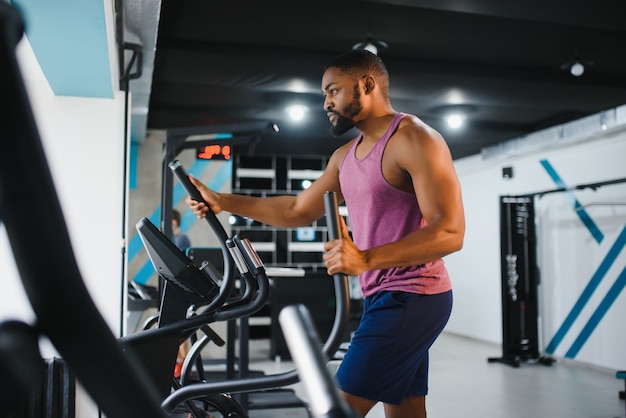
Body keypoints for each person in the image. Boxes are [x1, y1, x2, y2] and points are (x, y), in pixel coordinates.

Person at [185, 49, 465, 418]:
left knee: (337, 409)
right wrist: (222, 200)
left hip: (412, 297)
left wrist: (364, 259)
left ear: (366, 84)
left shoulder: (415, 139)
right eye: (324, 94)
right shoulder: (344, 157)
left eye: (332, 91)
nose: (326, 103)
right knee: (406, 410)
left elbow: (449, 231)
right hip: (384, 297)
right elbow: (297, 209)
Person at [171, 208, 192, 378]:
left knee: (180, 325)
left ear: (173, 222)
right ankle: (180, 362)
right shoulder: (175, 239)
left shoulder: (181, 238)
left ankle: (182, 362)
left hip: (182, 286)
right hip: (176, 285)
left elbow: (177, 262)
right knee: (178, 324)